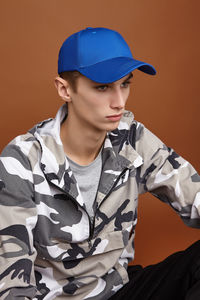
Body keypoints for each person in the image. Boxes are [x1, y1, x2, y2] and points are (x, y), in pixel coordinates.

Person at [0, 27, 199, 300]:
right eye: (102, 87)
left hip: (118, 292)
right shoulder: (21, 161)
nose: (118, 102)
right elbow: (12, 285)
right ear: (64, 89)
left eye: (125, 84)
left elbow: (195, 197)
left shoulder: (132, 139)